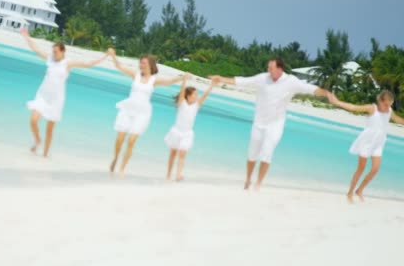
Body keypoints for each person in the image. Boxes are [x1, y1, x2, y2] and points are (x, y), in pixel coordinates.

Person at [209, 58, 328, 190]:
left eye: (271, 68)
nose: (268, 70)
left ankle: (258, 183)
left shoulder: (291, 81)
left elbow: (310, 89)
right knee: (252, 154)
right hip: (259, 123)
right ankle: (248, 179)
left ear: (279, 69)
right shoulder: (262, 78)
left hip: (275, 125)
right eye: (268, 68)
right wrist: (220, 78)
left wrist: (327, 93)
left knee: (267, 153)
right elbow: (242, 81)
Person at [21, 28, 109, 157]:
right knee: (33, 120)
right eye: (53, 51)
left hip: (56, 100)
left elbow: (87, 64)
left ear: (63, 52)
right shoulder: (50, 59)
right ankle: (38, 140)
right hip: (43, 96)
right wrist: (27, 37)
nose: (54, 54)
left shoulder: (67, 64)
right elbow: (36, 49)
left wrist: (105, 56)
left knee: (49, 129)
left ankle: (45, 155)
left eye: (56, 52)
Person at [107, 48, 183, 178]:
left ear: (150, 65)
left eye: (144, 63)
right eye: (140, 63)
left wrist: (182, 77)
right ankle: (115, 158)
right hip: (128, 109)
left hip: (142, 113)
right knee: (120, 139)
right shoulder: (135, 74)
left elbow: (169, 81)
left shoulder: (154, 80)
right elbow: (119, 66)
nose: (141, 65)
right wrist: (113, 56)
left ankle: (122, 168)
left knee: (131, 141)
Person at [327, 90, 404, 202]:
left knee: (375, 169)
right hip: (367, 142)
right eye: (386, 104)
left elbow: (397, 119)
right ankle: (349, 193)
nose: (388, 107)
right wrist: (337, 102)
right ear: (380, 101)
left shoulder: (389, 111)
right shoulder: (372, 108)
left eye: (390, 105)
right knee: (361, 169)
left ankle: (359, 190)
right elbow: (354, 107)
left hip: (378, 143)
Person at [165, 73, 215, 181]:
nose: (197, 96)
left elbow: (205, 96)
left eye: (197, 95)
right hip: (176, 132)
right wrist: (184, 80)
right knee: (173, 154)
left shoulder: (196, 106)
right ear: (188, 96)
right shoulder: (181, 104)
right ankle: (168, 174)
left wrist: (211, 86)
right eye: (195, 94)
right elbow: (182, 91)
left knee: (182, 154)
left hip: (187, 134)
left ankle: (178, 175)